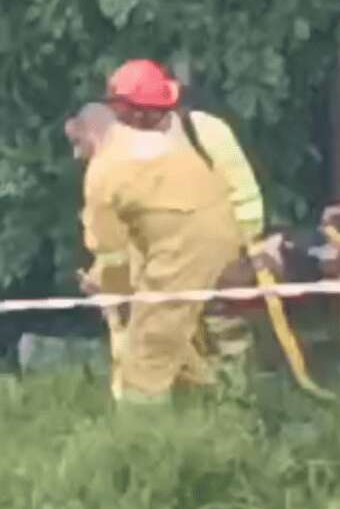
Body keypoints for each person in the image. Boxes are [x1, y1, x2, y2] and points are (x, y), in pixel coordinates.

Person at [73, 88, 242, 408]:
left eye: (76, 143)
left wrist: (109, 291)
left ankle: (142, 436)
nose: (75, 155)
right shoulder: (156, 141)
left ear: (91, 132)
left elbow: (111, 253)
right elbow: (149, 227)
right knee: (175, 327)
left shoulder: (103, 170)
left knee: (146, 350)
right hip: (220, 235)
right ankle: (212, 398)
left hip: (186, 248)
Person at [104, 60, 261, 390]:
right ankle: (181, 408)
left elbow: (245, 195)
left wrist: (239, 250)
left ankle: (235, 404)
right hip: (162, 261)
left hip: (219, 254)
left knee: (225, 332)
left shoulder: (205, 132)